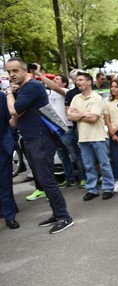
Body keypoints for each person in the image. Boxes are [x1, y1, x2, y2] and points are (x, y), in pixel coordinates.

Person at [6, 57, 74, 234]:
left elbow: (14, 111)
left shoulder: (31, 87)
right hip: (30, 139)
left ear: (24, 71)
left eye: (15, 71)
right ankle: (56, 213)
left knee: (47, 180)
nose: (11, 75)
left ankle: (64, 216)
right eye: (8, 72)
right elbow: (13, 121)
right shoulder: (21, 90)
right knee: (43, 181)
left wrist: (8, 93)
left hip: (40, 139)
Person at [34, 65, 86, 189]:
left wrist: (40, 74)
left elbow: (54, 87)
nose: (54, 80)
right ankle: (69, 179)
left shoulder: (66, 92)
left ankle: (83, 178)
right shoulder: (49, 94)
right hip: (54, 129)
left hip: (66, 128)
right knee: (63, 156)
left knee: (75, 154)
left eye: (57, 79)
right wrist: (32, 74)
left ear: (64, 83)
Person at [67, 71, 115, 201]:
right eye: (77, 80)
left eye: (81, 80)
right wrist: (86, 114)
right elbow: (69, 116)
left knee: (104, 164)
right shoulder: (76, 98)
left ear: (89, 82)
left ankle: (108, 188)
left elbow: (94, 118)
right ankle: (92, 189)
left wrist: (79, 114)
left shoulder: (97, 98)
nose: (78, 82)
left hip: (98, 136)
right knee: (88, 165)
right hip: (83, 137)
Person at [0, 91, 19, 229]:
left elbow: (10, 120)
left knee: (4, 184)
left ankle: (9, 216)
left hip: (2, 149)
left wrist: (11, 141)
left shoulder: (1, 97)